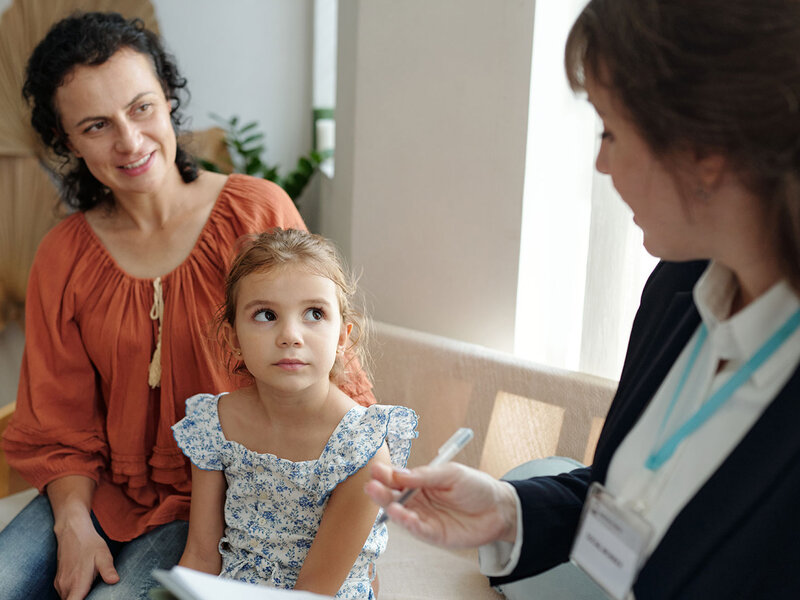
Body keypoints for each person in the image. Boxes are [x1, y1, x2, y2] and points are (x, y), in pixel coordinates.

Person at [366, 0, 800, 598]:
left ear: (705, 148)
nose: (601, 163)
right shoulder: (678, 291)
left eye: (610, 130)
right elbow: (626, 499)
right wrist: (507, 510)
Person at [0, 12, 374, 600]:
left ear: (170, 101)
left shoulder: (257, 213)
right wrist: (73, 523)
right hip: (96, 492)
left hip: (217, 499)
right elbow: (58, 421)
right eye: (96, 125)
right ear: (66, 141)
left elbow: (331, 369)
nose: (129, 141)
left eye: (142, 107)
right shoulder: (62, 256)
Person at [171, 228, 417, 599]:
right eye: (266, 314)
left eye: (314, 313)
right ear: (233, 339)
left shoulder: (361, 448)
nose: (290, 335)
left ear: (341, 338)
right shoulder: (214, 424)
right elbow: (202, 556)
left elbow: (314, 591)